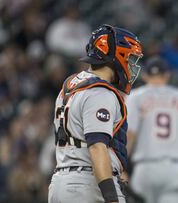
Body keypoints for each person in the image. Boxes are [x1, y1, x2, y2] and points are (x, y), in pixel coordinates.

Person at [48, 24, 143, 203]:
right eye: (129, 58)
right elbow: (97, 147)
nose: (131, 66)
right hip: (88, 185)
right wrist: (111, 197)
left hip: (61, 182)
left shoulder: (69, 86)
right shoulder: (100, 92)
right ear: (116, 56)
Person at [126, 56, 178, 203]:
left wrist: (122, 168)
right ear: (167, 75)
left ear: (145, 76)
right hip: (176, 168)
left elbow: (129, 134)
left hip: (145, 167)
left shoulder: (136, 97)